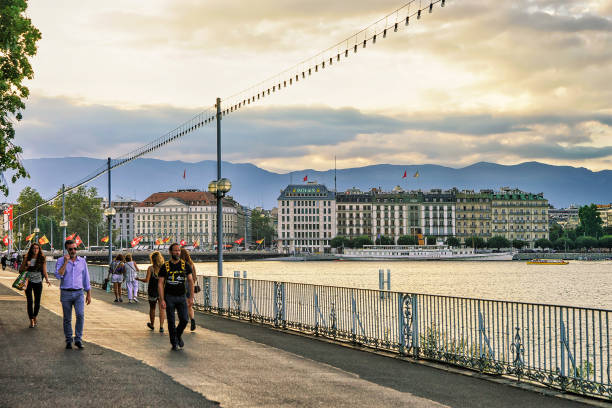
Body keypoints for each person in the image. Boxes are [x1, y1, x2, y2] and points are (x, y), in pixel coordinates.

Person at [54, 239, 91, 349]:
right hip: (66, 293)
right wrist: (66, 262)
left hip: (79, 293)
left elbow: (86, 278)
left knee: (80, 315)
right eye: (71, 249)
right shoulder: (61, 260)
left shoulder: (82, 261)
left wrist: (88, 293)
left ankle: (78, 339)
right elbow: (58, 275)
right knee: (67, 318)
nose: (74, 251)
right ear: (67, 250)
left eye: (75, 248)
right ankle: (69, 339)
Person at [158, 243, 194, 350]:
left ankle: (177, 335)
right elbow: (160, 283)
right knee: (171, 321)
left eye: (179, 250)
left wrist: (191, 297)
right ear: (170, 252)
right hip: (169, 297)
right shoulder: (165, 266)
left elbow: (191, 281)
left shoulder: (185, 265)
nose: (177, 252)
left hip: (182, 297)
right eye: (175, 250)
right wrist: (162, 299)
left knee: (184, 319)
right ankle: (174, 342)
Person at [20, 243, 51, 328]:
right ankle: (31, 320)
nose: (35, 250)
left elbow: (44, 271)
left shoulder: (42, 258)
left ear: (39, 249)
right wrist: (27, 265)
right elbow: (21, 270)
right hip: (28, 282)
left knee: (37, 302)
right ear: (31, 249)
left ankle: (34, 316)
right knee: (29, 302)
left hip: (38, 282)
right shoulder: (27, 258)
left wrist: (47, 279)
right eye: (34, 248)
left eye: (37, 248)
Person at [136, 251, 165, 332]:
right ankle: (161, 327)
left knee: (152, 308)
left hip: (152, 291)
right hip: (162, 291)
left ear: (152, 259)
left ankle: (152, 324)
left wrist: (138, 279)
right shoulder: (164, 267)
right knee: (162, 309)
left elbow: (146, 280)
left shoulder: (151, 268)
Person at [180, 248, 198, 331]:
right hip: (190, 285)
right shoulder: (191, 263)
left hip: (182, 285)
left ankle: (184, 321)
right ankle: (192, 320)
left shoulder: (180, 263)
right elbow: (194, 276)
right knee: (189, 305)